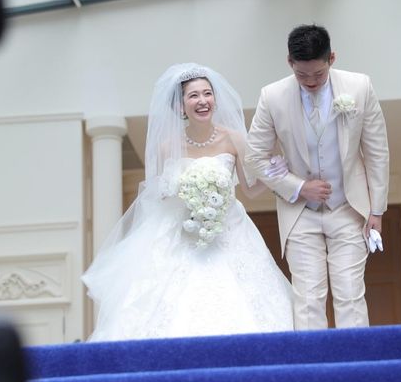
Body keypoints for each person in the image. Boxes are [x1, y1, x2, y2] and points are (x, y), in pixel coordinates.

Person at [82, 63, 294, 340]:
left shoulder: (234, 139)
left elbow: (250, 190)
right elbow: (159, 195)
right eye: (194, 96)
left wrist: (274, 175)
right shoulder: (167, 146)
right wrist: (186, 196)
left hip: (230, 230)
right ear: (180, 106)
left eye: (207, 93)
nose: (203, 101)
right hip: (184, 233)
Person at [245, 24, 389, 330]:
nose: (310, 82)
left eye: (318, 74)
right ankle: (313, 362)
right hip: (300, 213)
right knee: (308, 299)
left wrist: (377, 210)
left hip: (349, 208)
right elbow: (255, 157)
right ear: (290, 63)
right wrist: (298, 187)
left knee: (350, 294)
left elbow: (377, 152)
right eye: (302, 75)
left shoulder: (360, 87)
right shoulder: (272, 96)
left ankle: (355, 359)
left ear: (332, 58)